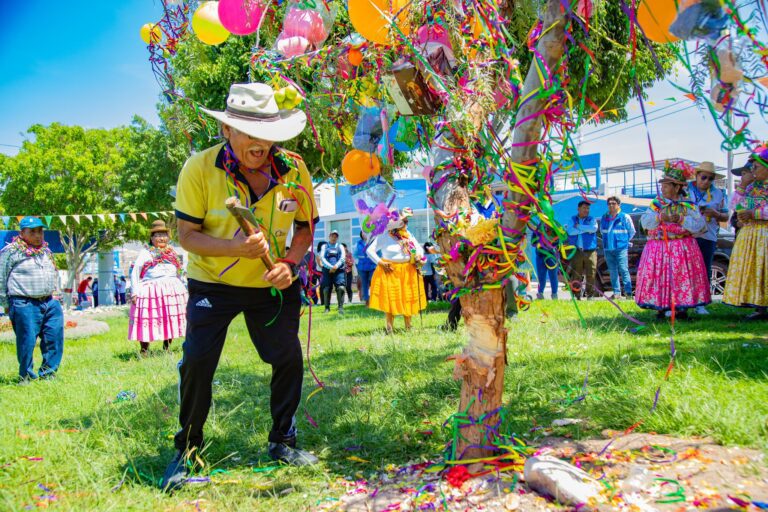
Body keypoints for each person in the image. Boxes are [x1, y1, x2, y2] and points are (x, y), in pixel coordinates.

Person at [161, 82, 320, 492]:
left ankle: (283, 440)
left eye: (267, 132)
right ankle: (187, 449)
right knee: (197, 360)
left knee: (287, 357)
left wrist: (289, 264)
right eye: (249, 132)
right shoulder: (199, 168)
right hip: (213, 282)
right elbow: (187, 236)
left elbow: (305, 228)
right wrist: (235, 248)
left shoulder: (293, 168)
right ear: (227, 130)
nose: (259, 143)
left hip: (272, 283)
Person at [635, 161, 711, 319]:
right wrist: (660, 217)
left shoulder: (688, 205)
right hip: (659, 248)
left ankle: (681, 308)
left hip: (682, 248)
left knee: (679, 277)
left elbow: (699, 225)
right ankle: (662, 307)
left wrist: (681, 219)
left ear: (677, 188)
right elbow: (645, 222)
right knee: (661, 277)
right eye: (662, 185)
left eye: (666, 185)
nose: (662, 188)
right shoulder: (657, 204)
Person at [0, 217, 63, 383]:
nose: (38, 235)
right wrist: (6, 304)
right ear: (22, 233)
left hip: (49, 302)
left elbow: (53, 272)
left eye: (40, 231)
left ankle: (49, 374)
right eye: (32, 232)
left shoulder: (46, 250)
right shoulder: (11, 251)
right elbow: (1, 278)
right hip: (24, 303)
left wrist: (56, 294)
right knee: (27, 342)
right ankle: (26, 376)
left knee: (54, 338)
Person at [128, 220, 188, 357]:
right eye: (158, 235)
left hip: (171, 289)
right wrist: (134, 293)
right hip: (151, 290)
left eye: (164, 235)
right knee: (148, 318)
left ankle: (167, 347)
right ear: (151, 238)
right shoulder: (145, 253)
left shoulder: (172, 252)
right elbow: (136, 271)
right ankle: (144, 350)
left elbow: (179, 270)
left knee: (170, 317)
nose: (162, 238)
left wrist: (182, 286)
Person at [723, 147, 768, 320]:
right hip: (750, 235)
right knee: (755, 268)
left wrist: (754, 213)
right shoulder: (750, 189)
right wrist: (742, 186)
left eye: (756, 167)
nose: (752, 171)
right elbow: (734, 205)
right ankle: (759, 306)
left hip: (765, 233)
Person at [366, 208, 426, 333]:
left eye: (406, 221)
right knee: (390, 299)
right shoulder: (384, 235)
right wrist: (380, 262)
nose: (406, 223)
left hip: (408, 270)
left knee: (407, 298)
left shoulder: (408, 235)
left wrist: (419, 257)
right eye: (404, 220)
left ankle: (408, 327)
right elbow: (369, 250)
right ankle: (389, 328)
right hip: (390, 271)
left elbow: (419, 249)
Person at [686, 161, 728, 315]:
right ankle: (684, 302)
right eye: (704, 177)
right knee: (685, 270)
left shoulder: (719, 194)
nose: (706, 181)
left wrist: (716, 214)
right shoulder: (684, 190)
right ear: (697, 176)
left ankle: (701, 303)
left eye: (711, 179)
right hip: (686, 236)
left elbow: (726, 216)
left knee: (704, 269)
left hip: (708, 236)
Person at [599, 196, 636, 298]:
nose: (611, 205)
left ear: (619, 205)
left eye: (613, 203)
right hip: (608, 248)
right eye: (609, 204)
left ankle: (628, 292)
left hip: (621, 248)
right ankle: (616, 293)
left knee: (624, 269)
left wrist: (624, 241)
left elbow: (632, 231)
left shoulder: (625, 217)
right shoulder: (604, 217)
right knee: (612, 271)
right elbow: (602, 231)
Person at [566, 201, 598, 299]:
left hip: (590, 251)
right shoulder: (572, 219)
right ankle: (577, 295)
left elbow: (593, 229)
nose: (586, 210)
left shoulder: (591, 219)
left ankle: (590, 295)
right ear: (578, 209)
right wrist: (585, 229)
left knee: (591, 273)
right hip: (577, 251)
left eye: (588, 208)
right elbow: (570, 231)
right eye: (584, 208)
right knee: (576, 274)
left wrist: (579, 227)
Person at [319, 231, 346, 314]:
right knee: (326, 289)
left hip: (339, 270)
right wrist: (331, 267)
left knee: (341, 288)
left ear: (337, 238)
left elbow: (342, 258)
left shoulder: (340, 246)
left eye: (335, 236)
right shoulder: (324, 246)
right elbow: (322, 258)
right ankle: (327, 308)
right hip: (327, 270)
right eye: (332, 236)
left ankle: (340, 307)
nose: (334, 238)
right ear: (329, 236)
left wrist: (335, 267)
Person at [532, 226, 560, 300]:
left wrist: (550, 242)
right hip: (540, 256)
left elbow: (558, 241)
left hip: (552, 256)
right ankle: (540, 294)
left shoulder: (554, 228)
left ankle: (554, 295)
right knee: (541, 276)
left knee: (553, 276)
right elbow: (532, 243)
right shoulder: (537, 229)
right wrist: (540, 241)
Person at [354, 231, 377, 305]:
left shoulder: (374, 242)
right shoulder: (358, 243)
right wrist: (357, 263)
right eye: (364, 232)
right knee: (364, 283)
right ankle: (366, 300)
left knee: (372, 281)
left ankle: (374, 298)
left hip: (372, 266)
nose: (366, 234)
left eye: (367, 232)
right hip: (362, 267)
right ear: (361, 234)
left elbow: (379, 253)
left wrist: (377, 263)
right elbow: (355, 255)